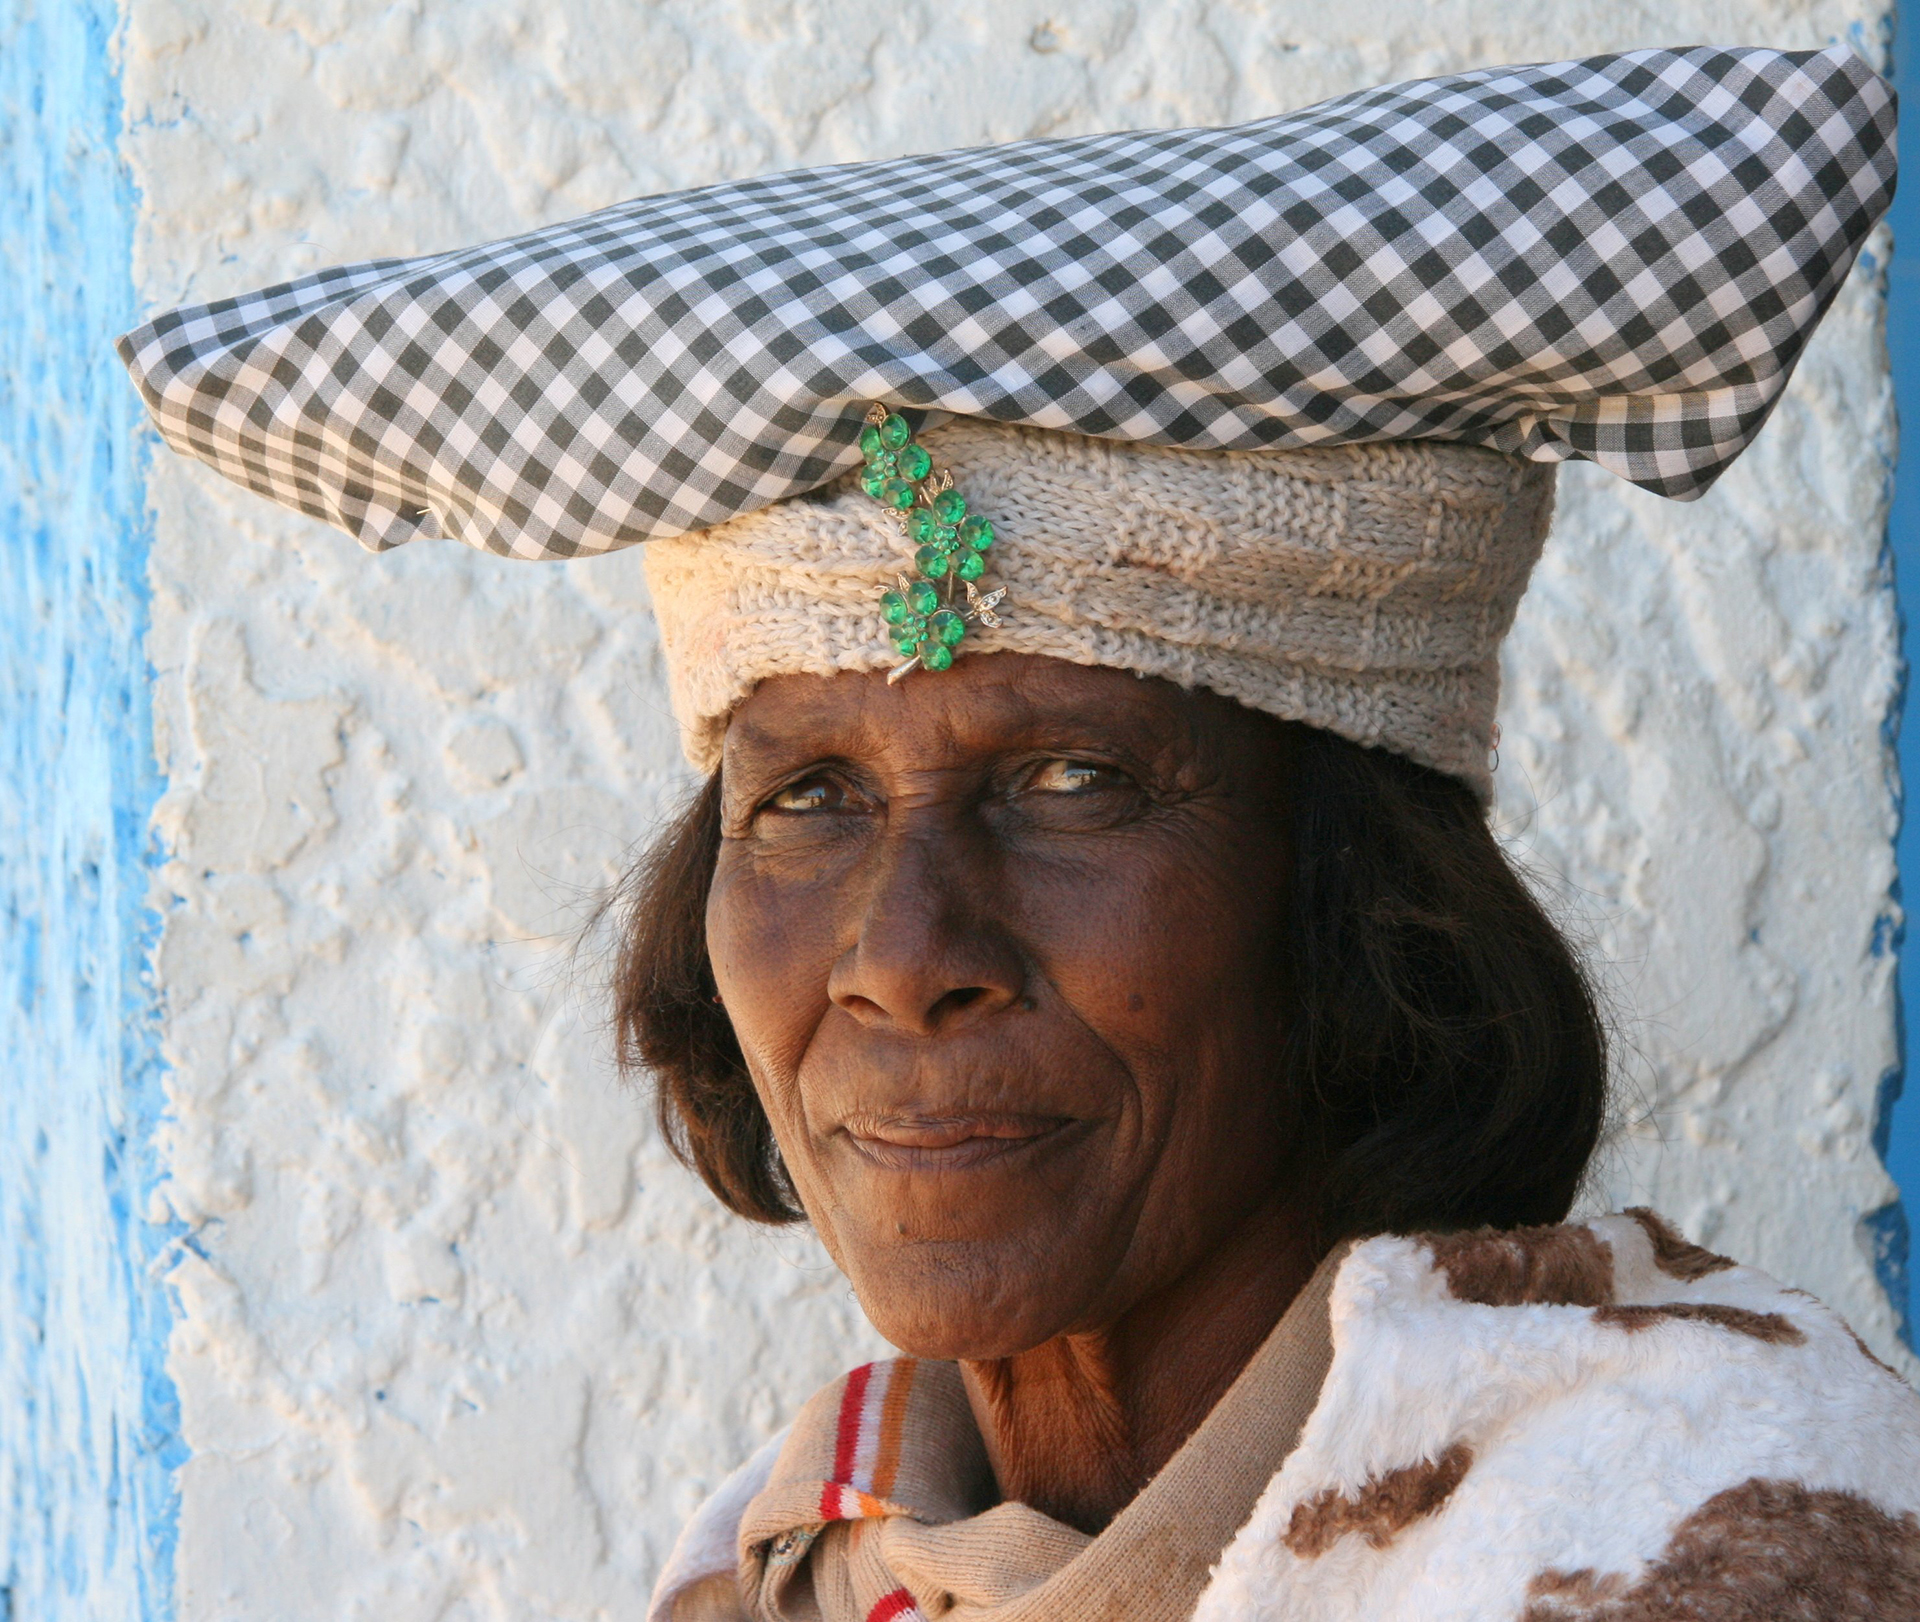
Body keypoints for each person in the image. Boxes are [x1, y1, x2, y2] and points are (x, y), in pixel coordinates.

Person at [120, 43, 1920, 1621]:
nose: (907, 956)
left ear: (1366, 900)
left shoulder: (1702, 1521)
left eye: (1073, 779)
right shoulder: (796, 1564)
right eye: (807, 794)